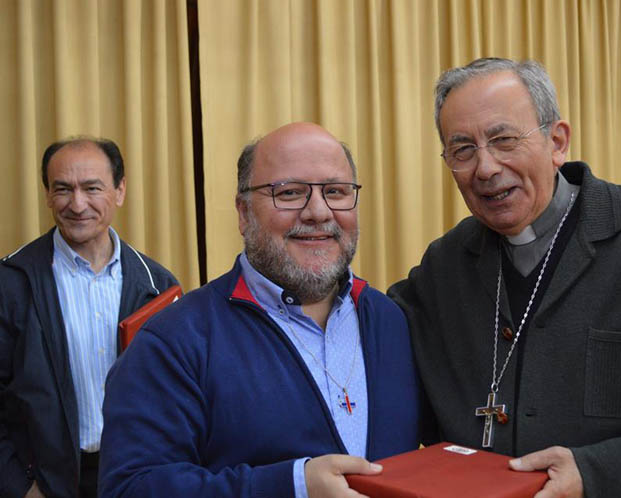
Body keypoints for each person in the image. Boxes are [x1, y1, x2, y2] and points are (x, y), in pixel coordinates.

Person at [388, 57, 621, 497]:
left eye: (504, 139)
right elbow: (370, 341)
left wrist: (599, 471)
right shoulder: (444, 265)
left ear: (557, 141)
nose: (484, 168)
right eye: (462, 150)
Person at [98, 122, 421, 498]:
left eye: (335, 191)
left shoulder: (388, 319)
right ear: (243, 212)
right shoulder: (174, 340)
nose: (318, 211)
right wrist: (291, 486)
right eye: (289, 192)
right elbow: (130, 488)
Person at [0, 137, 179, 498]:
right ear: (48, 195)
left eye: (92, 188)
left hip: (135, 477)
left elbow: (178, 395)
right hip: (45, 483)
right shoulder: (11, 282)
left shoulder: (158, 285)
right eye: (62, 189)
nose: (77, 204)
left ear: (119, 190)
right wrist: (19, 486)